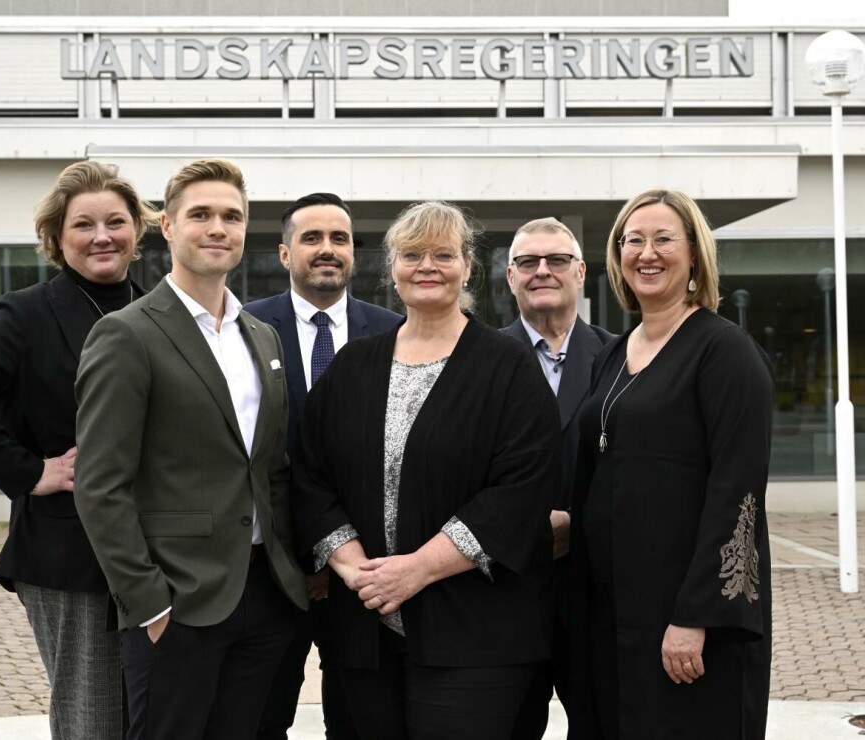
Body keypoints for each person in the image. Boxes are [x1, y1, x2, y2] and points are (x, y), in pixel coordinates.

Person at [292, 201, 563, 740]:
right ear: (392, 267)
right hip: (362, 629)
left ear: (467, 265)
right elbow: (309, 472)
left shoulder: (507, 366)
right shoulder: (353, 365)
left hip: (475, 634)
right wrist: (353, 568)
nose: (427, 266)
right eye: (412, 254)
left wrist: (417, 568)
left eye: (443, 254)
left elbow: (521, 488)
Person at [0, 160, 155, 739]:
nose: (102, 236)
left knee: (150, 715)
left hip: (155, 550)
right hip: (68, 551)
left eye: (116, 222)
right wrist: (29, 471)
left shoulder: (157, 312)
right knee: (92, 719)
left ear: (137, 233)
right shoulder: (27, 314)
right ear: (57, 237)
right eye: (84, 224)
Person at [73, 158, 308, 740]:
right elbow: (101, 486)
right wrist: (149, 604)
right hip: (178, 603)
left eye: (232, 216)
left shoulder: (262, 335)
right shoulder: (127, 334)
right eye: (200, 214)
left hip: (265, 596)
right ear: (168, 227)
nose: (217, 228)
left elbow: (270, 466)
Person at [568, 188, 773, 740]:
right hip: (612, 612)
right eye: (633, 240)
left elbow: (738, 493)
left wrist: (696, 616)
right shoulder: (614, 351)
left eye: (663, 239)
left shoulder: (724, 351)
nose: (646, 253)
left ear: (694, 255)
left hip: (686, 617)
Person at [244, 192, 401, 740]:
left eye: (339, 239)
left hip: (366, 575)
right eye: (311, 238)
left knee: (361, 720)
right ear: (285, 254)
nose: (327, 249)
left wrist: (346, 558)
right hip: (272, 573)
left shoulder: (395, 330)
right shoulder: (242, 328)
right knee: (260, 717)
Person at [501, 218, 614, 740]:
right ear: (509, 277)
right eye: (528, 262)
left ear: (581, 271)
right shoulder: (476, 358)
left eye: (557, 260)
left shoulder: (624, 358)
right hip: (503, 590)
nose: (542, 271)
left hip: (594, 590)